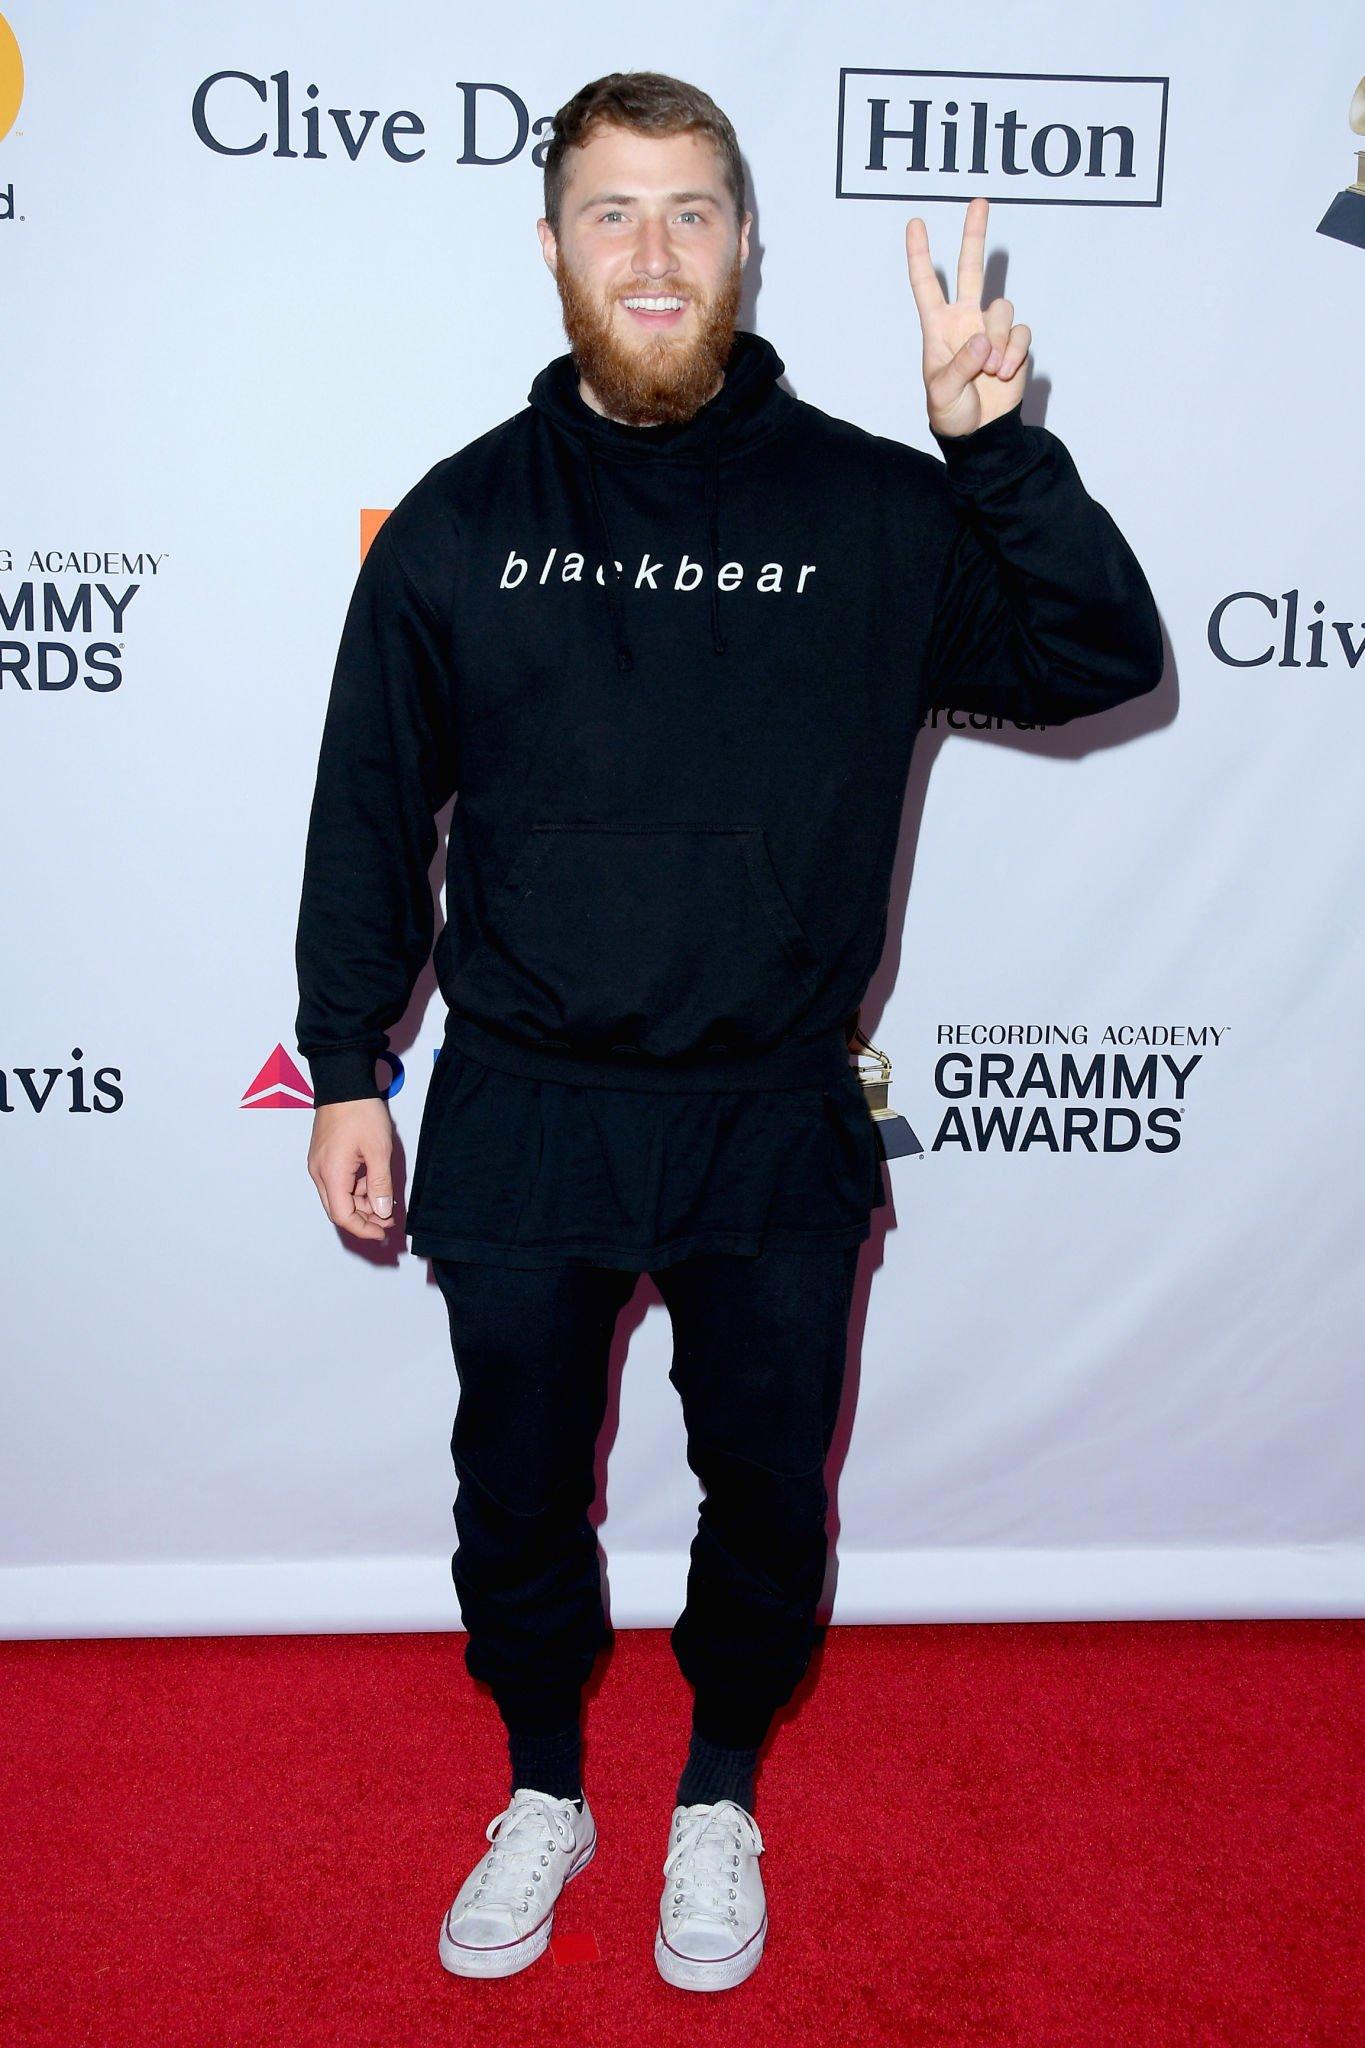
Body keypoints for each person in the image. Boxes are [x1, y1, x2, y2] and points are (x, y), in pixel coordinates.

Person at [293, 70, 1162, 1994]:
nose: (654, 252)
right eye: (612, 212)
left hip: (769, 1108)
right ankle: (542, 1783)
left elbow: (1104, 661)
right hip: (521, 1105)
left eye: (691, 211)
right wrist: (349, 1061)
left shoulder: (876, 506)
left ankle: (711, 1795)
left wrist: (995, 450)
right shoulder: (455, 523)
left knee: (766, 1486)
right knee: (513, 1492)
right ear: (550, 248)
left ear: (746, 243)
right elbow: (366, 810)